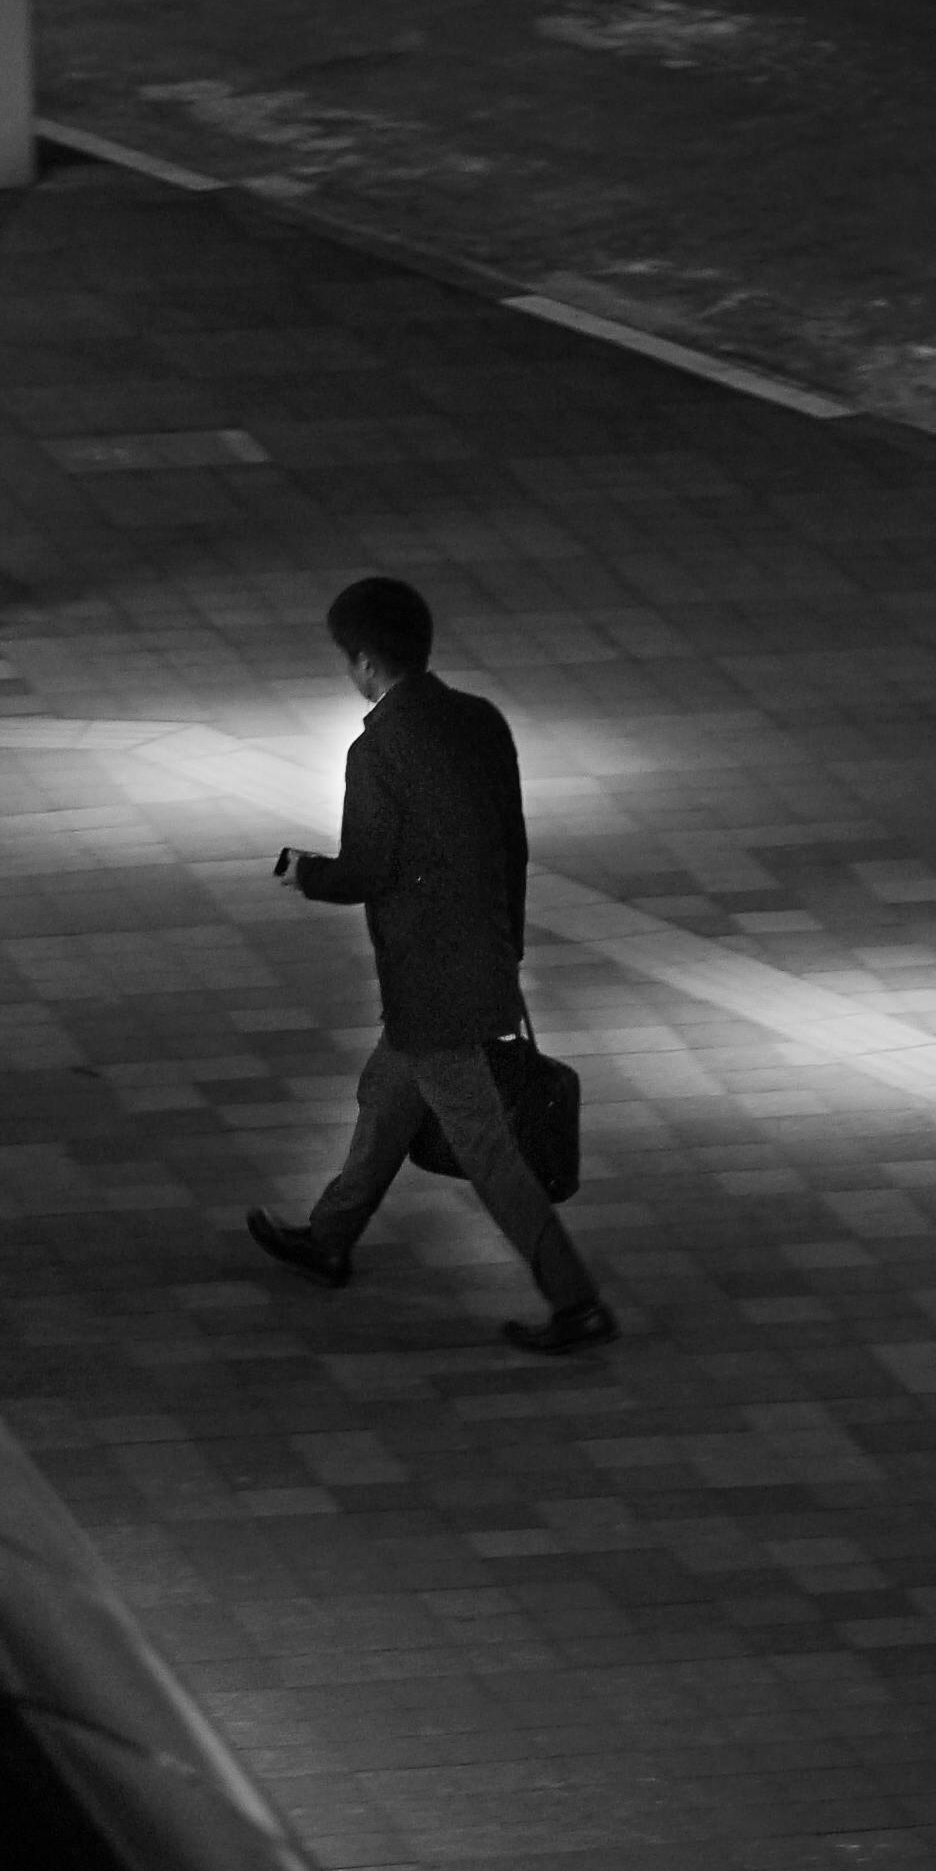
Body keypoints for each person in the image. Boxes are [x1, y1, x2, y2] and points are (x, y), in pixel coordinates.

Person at [249, 574, 615, 1357]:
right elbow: (513, 844)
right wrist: (507, 948)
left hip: (431, 985)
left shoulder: (378, 749)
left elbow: (368, 870)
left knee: (486, 1148)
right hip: (481, 958)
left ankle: (576, 1301)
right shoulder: (480, 722)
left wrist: (304, 872)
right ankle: (328, 1238)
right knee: (386, 1095)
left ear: (364, 663)